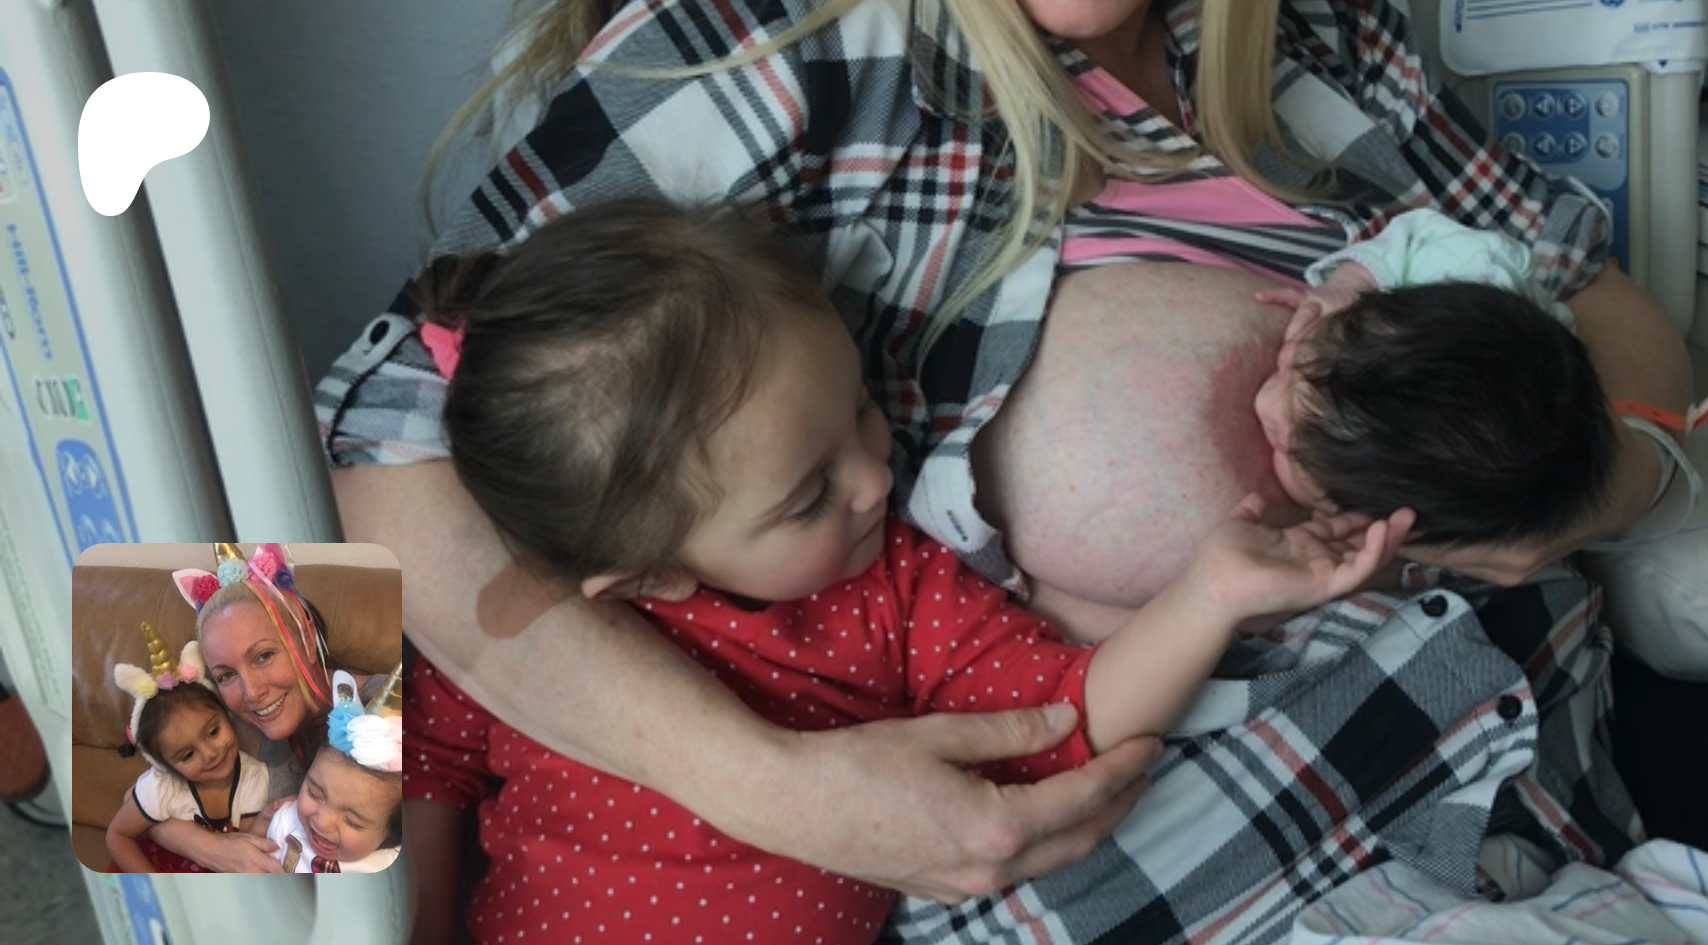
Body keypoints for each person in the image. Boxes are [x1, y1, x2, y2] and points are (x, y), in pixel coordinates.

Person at [314, 0, 1692, 937]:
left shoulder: (1327, 39)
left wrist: (1582, 489)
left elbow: (1600, 291)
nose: (862, 481)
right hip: (1227, 865)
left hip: (1536, 771)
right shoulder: (799, 45)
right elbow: (370, 441)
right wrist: (764, 783)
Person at [401, 196, 1413, 943]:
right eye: (808, 496)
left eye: (858, 409)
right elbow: (414, 757)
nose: (874, 478)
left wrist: (1211, 594)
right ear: (640, 579)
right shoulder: (518, 615)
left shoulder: (889, 588)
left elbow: (1064, 718)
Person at [1250, 207, 1618, 553]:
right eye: (1288, 365)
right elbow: (1420, 234)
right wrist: (1350, 282)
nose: (1262, 401)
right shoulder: (1469, 267)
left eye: (1282, 441)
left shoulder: (1411, 519)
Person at [141, 543, 392, 874]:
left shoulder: (390, 714)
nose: (252, 693)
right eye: (226, 675)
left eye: (263, 656)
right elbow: (144, 802)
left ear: (306, 639)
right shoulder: (232, 729)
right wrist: (213, 849)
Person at [104, 626, 270, 873]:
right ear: (166, 766)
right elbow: (117, 835)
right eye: (188, 755)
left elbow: (243, 855)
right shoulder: (162, 786)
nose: (211, 754)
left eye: (213, 732)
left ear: (226, 715)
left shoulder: (253, 778)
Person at [252, 671, 403, 873]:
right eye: (314, 793)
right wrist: (261, 825)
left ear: (393, 831)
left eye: (352, 821)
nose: (322, 823)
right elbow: (251, 857)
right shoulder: (288, 819)